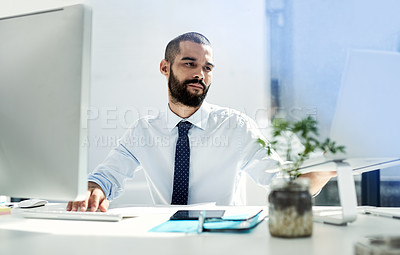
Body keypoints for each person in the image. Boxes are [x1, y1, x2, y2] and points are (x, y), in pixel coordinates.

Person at [67, 32, 335, 212]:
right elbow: (106, 176)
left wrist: (329, 167)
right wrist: (94, 190)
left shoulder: (236, 127)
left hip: (223, 243)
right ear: (165, 67)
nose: (200, 74)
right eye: (189, 63)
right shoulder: (143, 130)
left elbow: (281, 181)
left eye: (207, 67)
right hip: (164, 242)